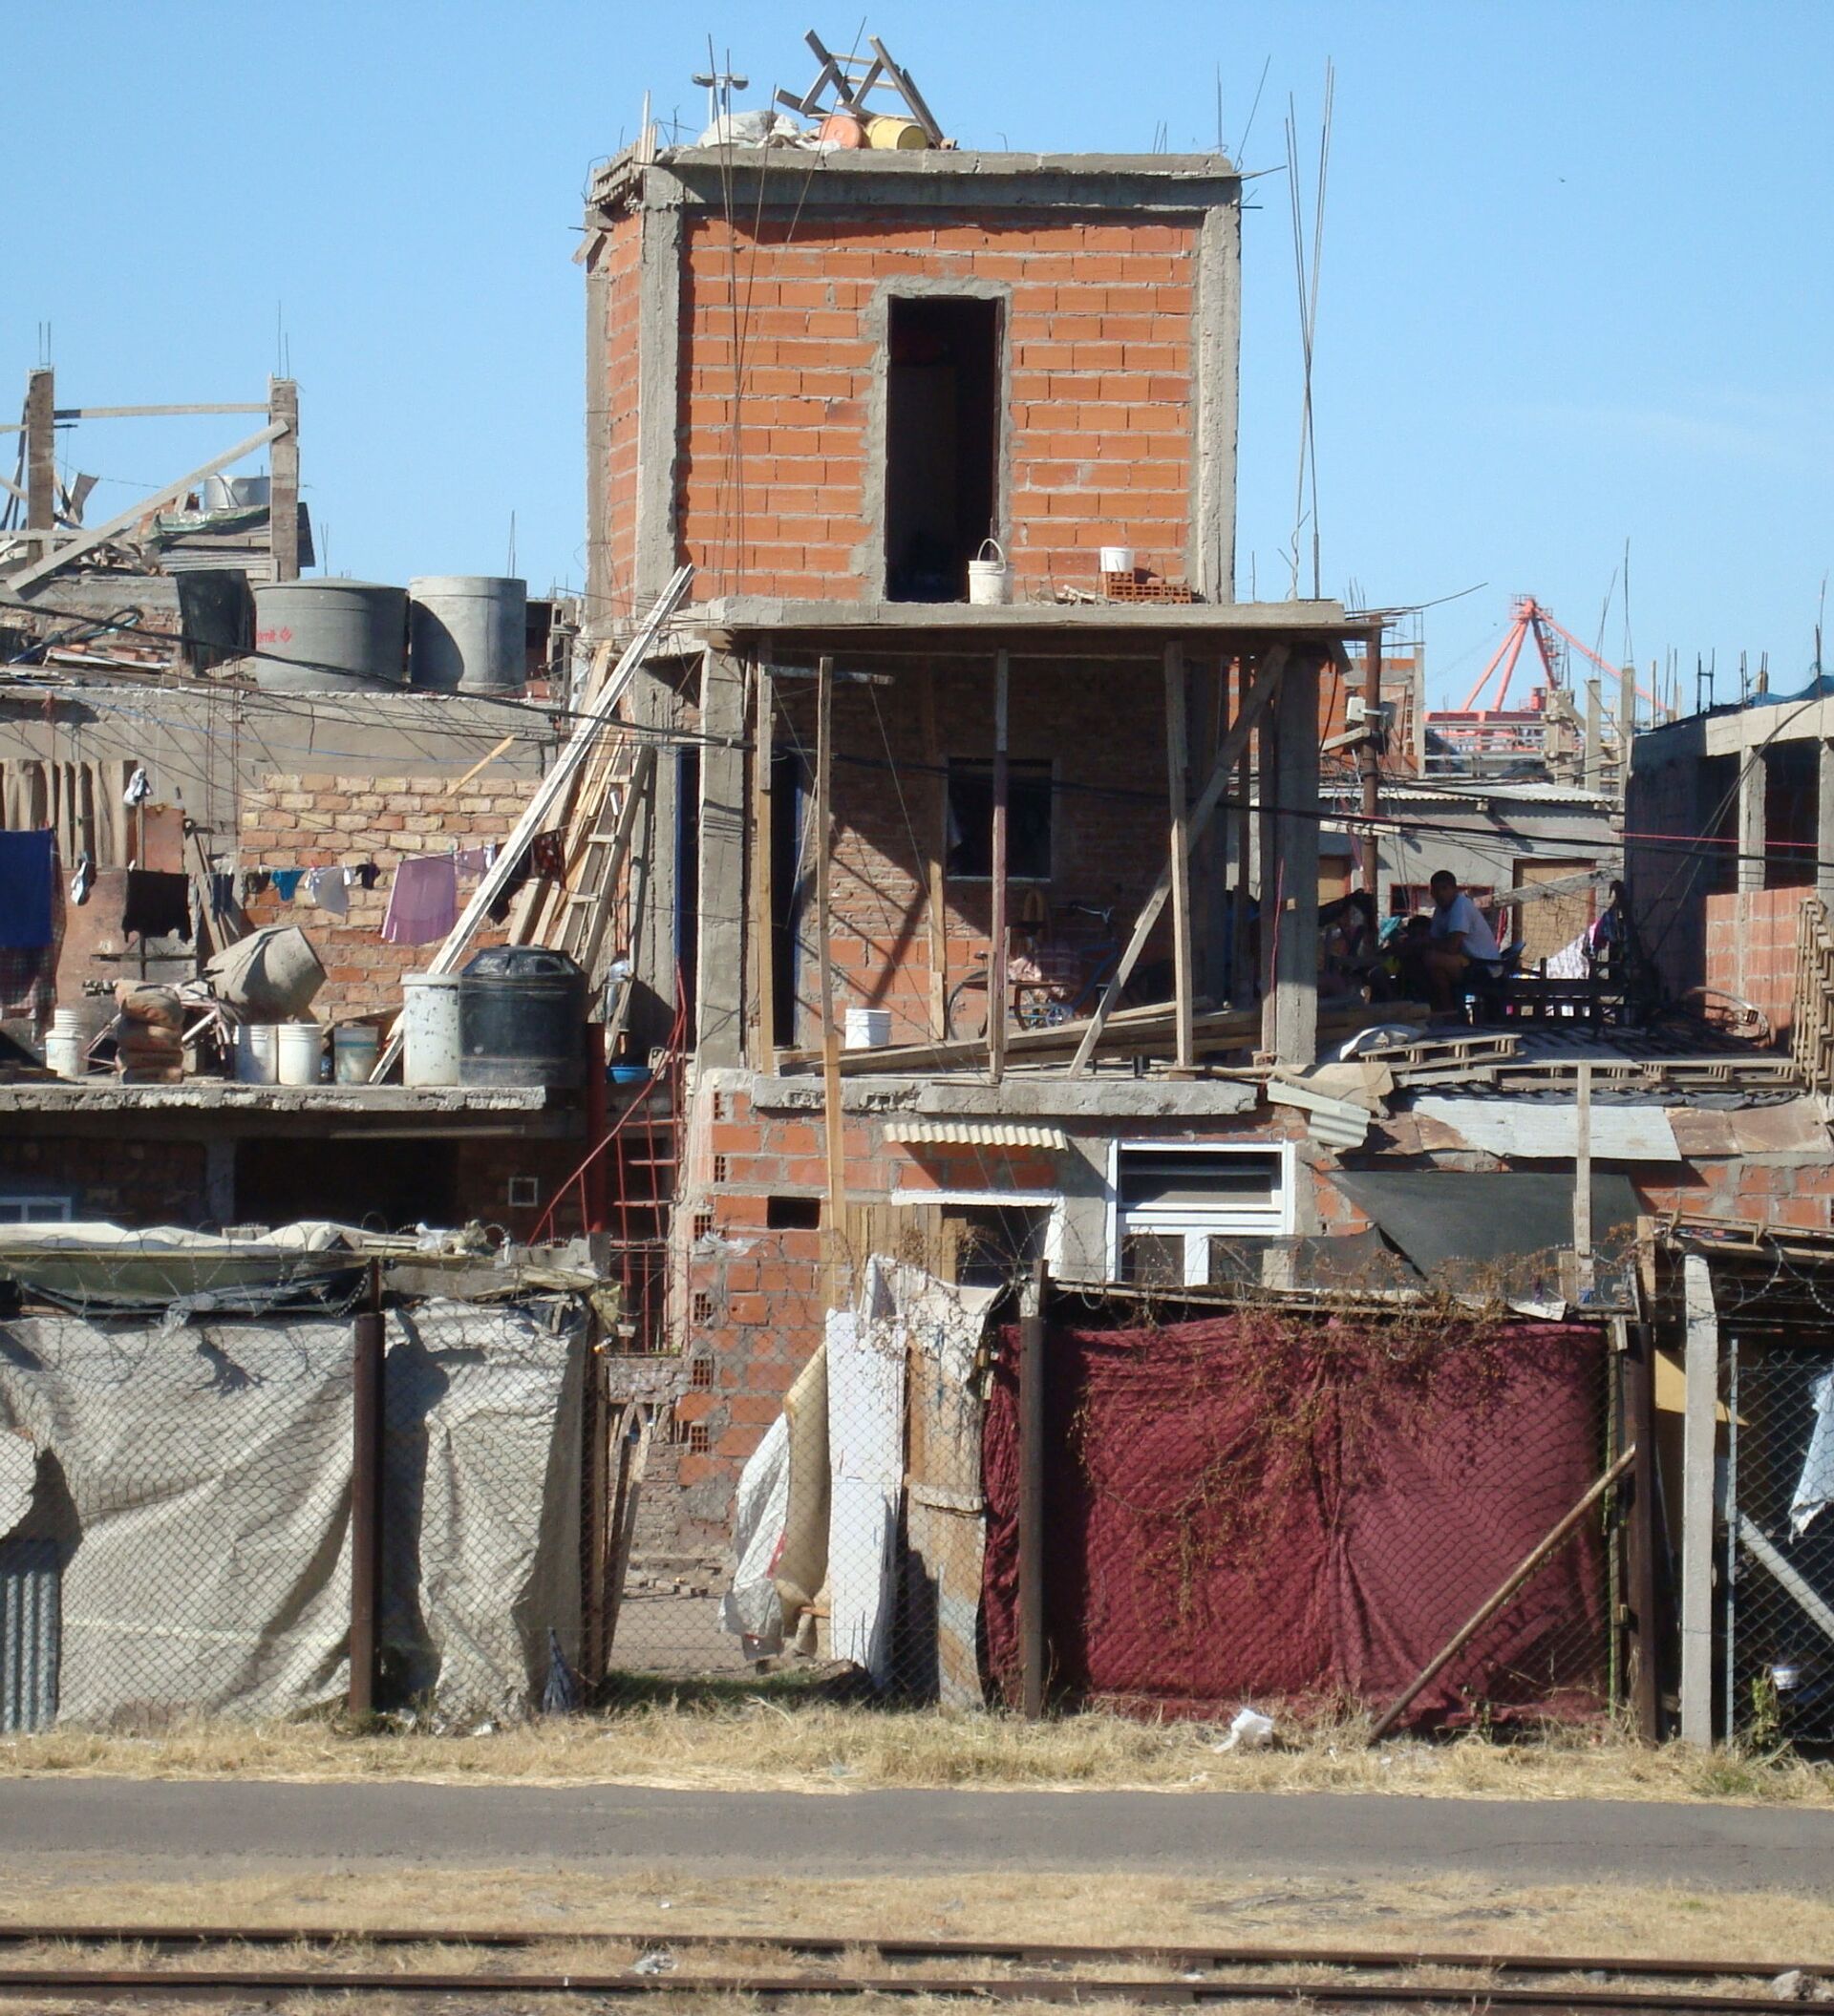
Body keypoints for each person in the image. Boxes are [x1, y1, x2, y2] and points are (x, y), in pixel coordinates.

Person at [1422, 870, 1502, 1015]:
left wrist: (1423, 942)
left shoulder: (1461, 906)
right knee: (1433, 968)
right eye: (1436, 890)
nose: (1440, 894)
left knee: (1431, 959)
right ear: (1431, 892)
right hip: (1466, 962)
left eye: (1445, 888)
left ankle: (1449, 1012)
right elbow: (1434, 940)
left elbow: (1451, 947)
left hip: (1485, 967)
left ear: (1454, 889)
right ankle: (1447, 1011)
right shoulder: (1440, 910)